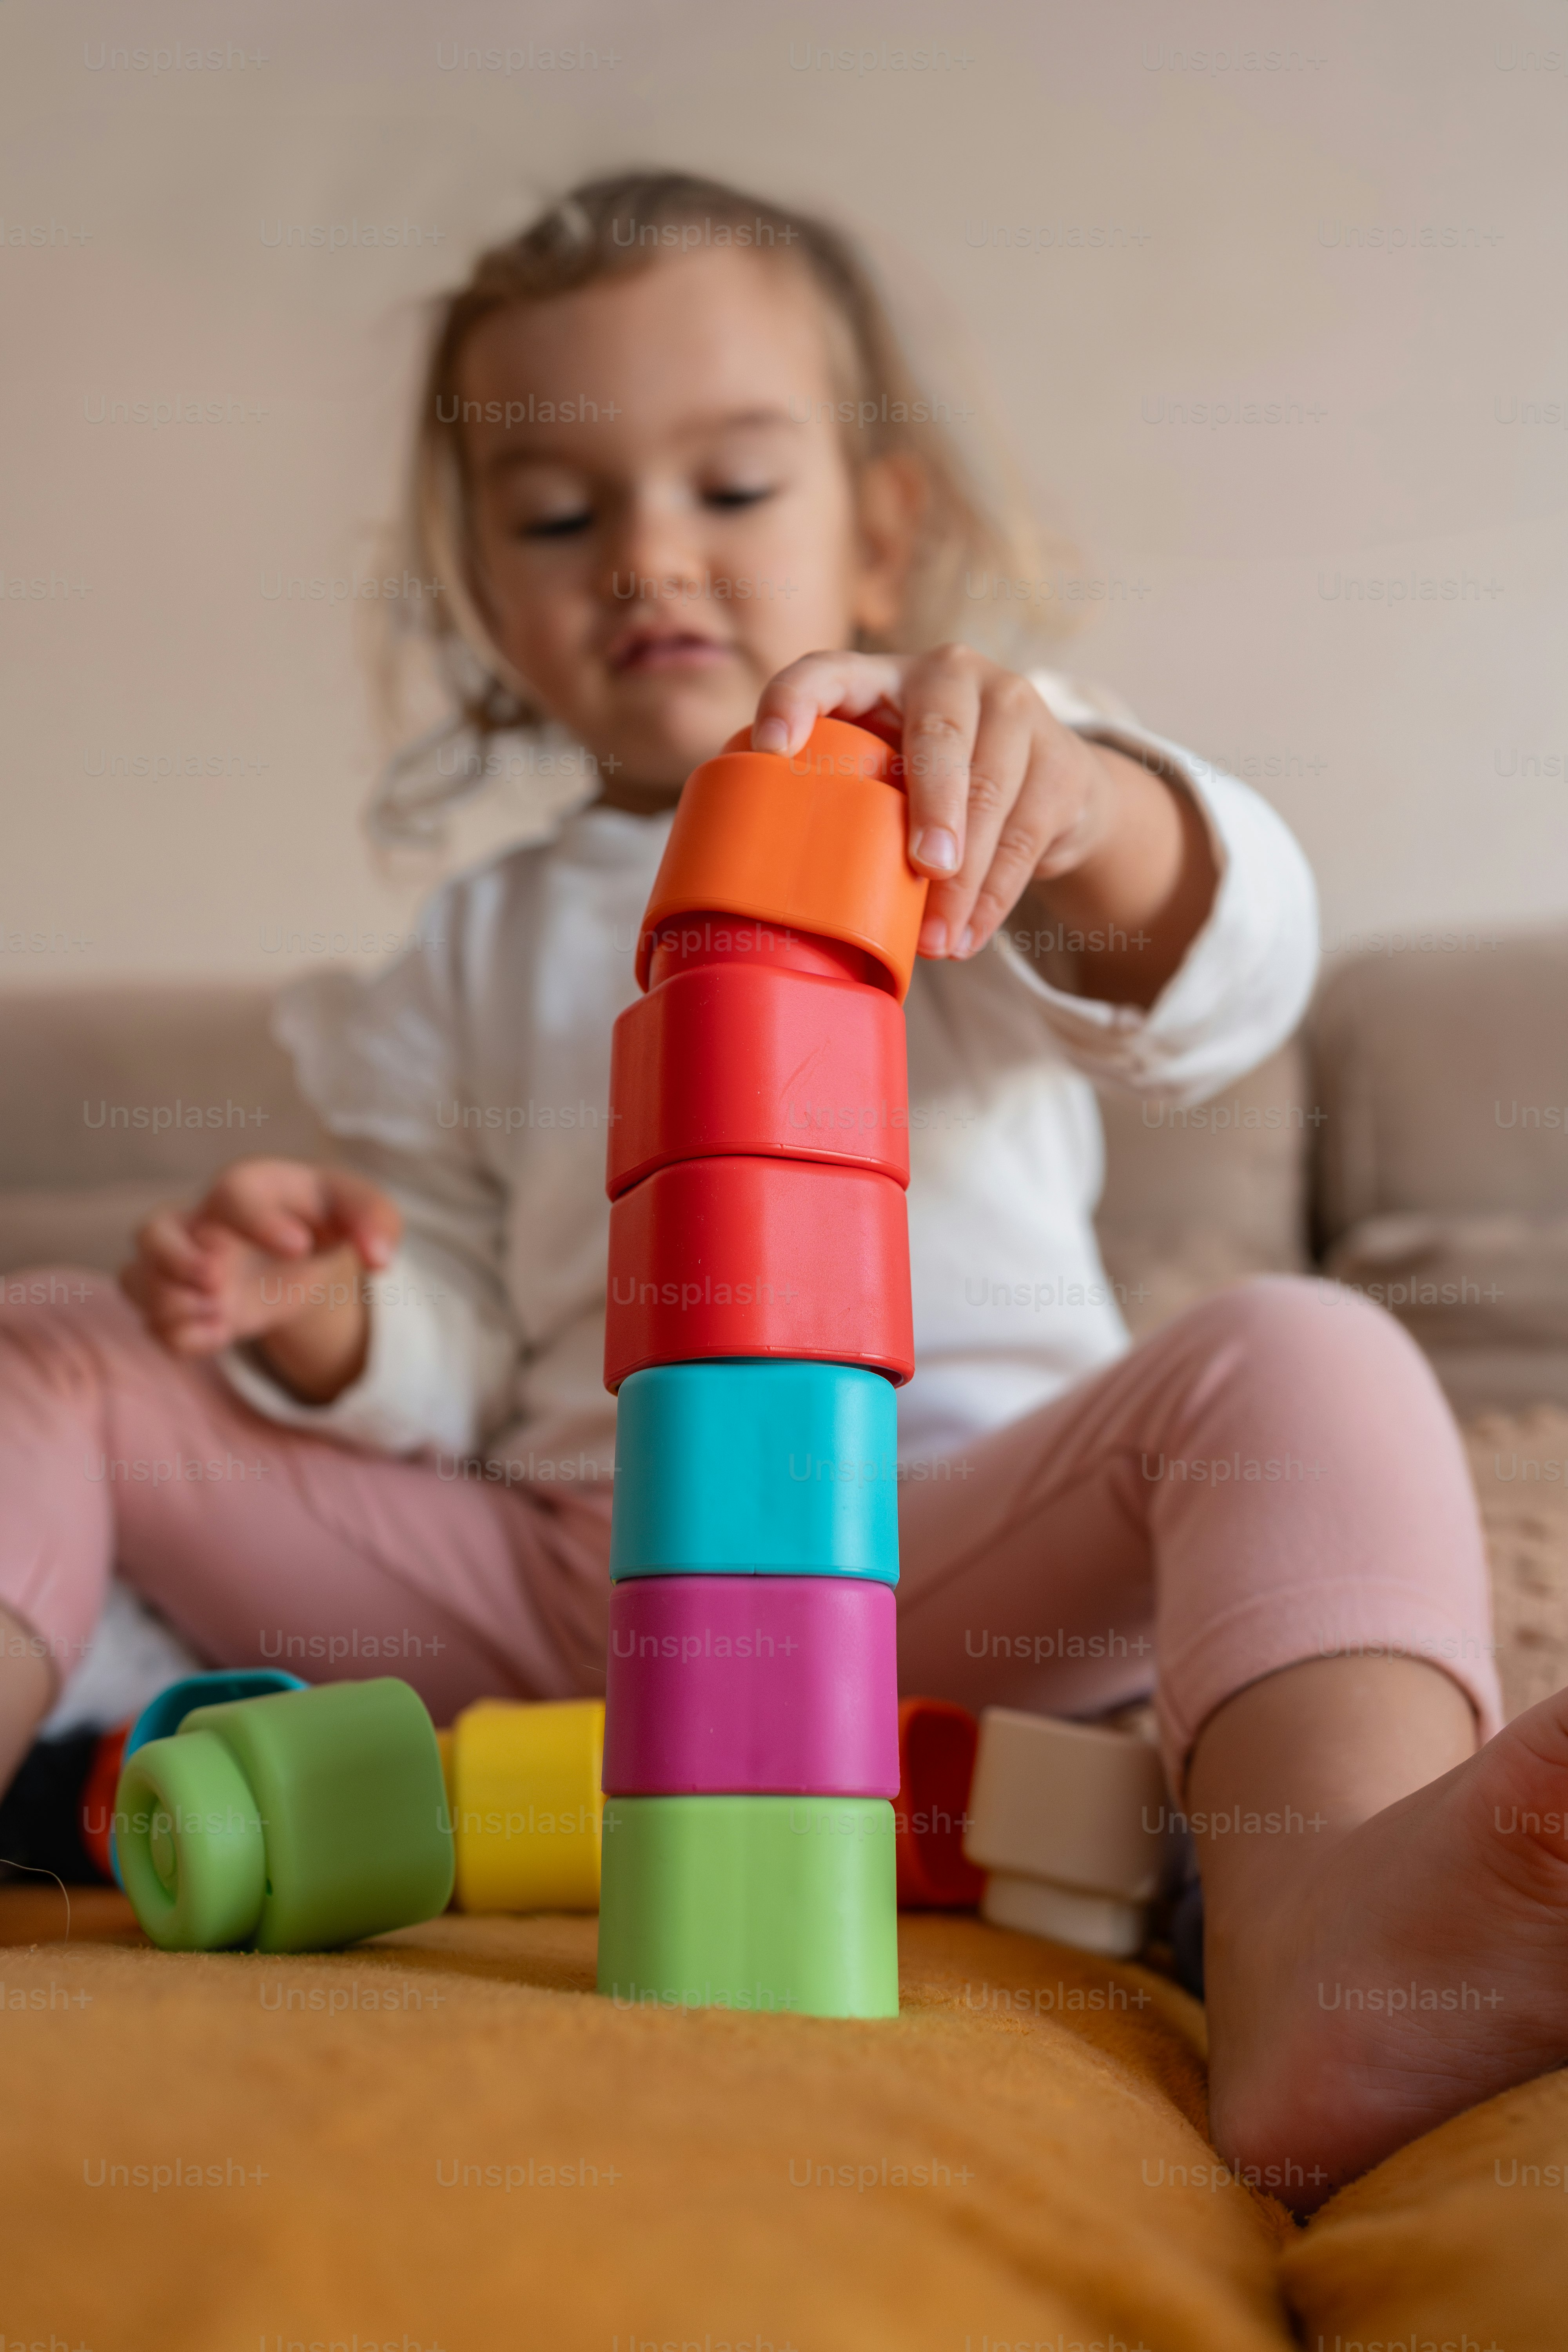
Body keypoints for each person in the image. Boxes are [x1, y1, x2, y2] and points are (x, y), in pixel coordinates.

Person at [1, 171, 1558, 2211]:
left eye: (732, 489)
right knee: (64, 1341)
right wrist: (329, 1322)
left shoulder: (962, 779)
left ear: (880, 522)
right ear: (481, 584)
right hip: (568, 1586)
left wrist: (1084, 809)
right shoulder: (457, 960)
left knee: (1307, 1354)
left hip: (938, 1554)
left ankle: (1335, 1940)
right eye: (560, 516)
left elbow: (1216, 974)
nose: (649, 552)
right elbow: (454, 1351)